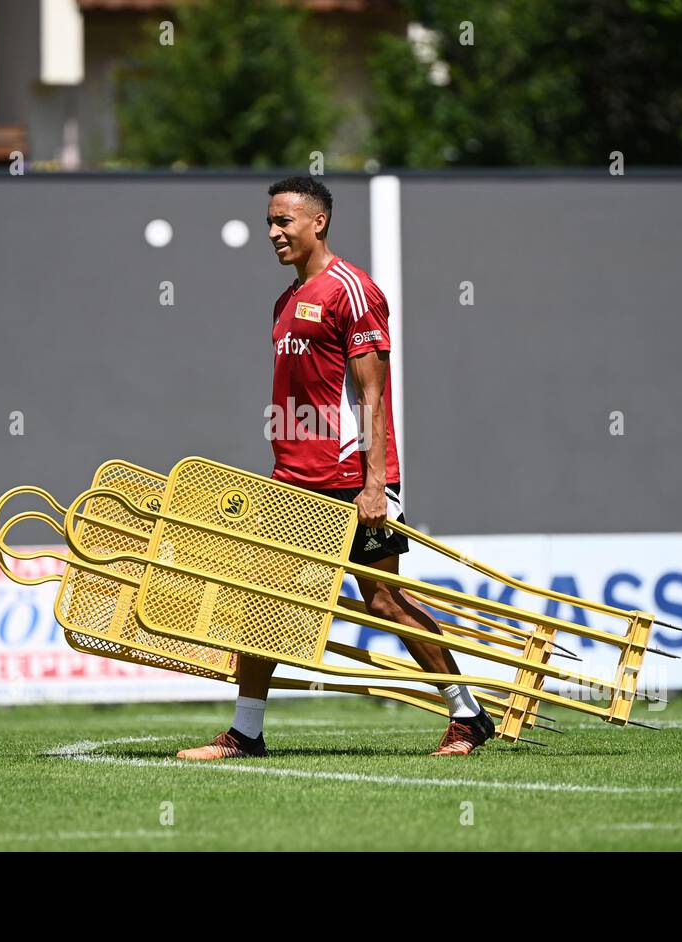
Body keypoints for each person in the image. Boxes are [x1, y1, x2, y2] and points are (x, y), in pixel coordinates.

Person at [176, 176, 494, 759]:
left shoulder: (353, 290)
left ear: (317, 222)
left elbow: (372, 395)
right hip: (293, 480)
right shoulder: (285, 300)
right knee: (261, 599)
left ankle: (466, 715)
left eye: (284, 221)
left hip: (351, 481)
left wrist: (376, 483)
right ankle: (246, 734)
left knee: (384, 601)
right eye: (269, 221)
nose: (272, 232)